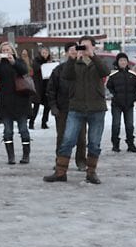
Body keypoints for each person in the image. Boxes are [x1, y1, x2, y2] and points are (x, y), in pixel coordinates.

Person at [44, 36, 111, 184]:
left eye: (87, 46)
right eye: (81, 46)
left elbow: (105, 71)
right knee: (67, 139)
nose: (84, 49)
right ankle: (60, 172)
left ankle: (91, 172)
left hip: (96, 108)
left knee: (94, 142)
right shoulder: (74, 62)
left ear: (94, 47)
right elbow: (66, 76)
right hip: (76, 107)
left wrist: (92, 56)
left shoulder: (98, 62)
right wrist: (72, 58)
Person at [44, 43, 87, 170]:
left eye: (76, 49)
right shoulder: (59, 70)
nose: (74, 51)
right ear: (66, 53)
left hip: (80, 108)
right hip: (63, 109)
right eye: (71, 50)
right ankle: (60, 161)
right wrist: (54, 107)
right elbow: (51, 90)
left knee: (81, 138)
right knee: (62, 137)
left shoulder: (84, 67)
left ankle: (81, 161)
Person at [0, 42, 31, 164]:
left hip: (21, 100)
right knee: (8, 131)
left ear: (13, 51)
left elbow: (24, 71)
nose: (6, 52)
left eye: (8, 49)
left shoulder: (19, 61)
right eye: (3, 50)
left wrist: (13, 62)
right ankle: (11, 156)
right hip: (5, 101)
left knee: (23, 129)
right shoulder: (0, 64)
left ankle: (26, 154)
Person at [106, 53, 136, 153]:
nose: (123, 62)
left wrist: (134, 97)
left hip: (129, 104)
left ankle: (131, 144)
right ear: (117, 62)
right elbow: (108, 87)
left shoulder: (132, 75)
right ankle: (115, 144)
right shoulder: (113, 75)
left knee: (129, 125)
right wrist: (114, 96)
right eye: (121, 60)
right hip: (117, 104)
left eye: (125, 60)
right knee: (116, 124)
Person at [32, 45, 53, 129]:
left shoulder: (50, 61)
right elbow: (36, 68)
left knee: (47, 106)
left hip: (47, 86)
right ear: (40, 53)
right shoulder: (36, 60)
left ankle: (44, 122)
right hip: (38, 86)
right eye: (43, 52)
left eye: (46, 53)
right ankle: (31, 122)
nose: (45, 54)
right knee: (36, 106)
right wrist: (44, 64)